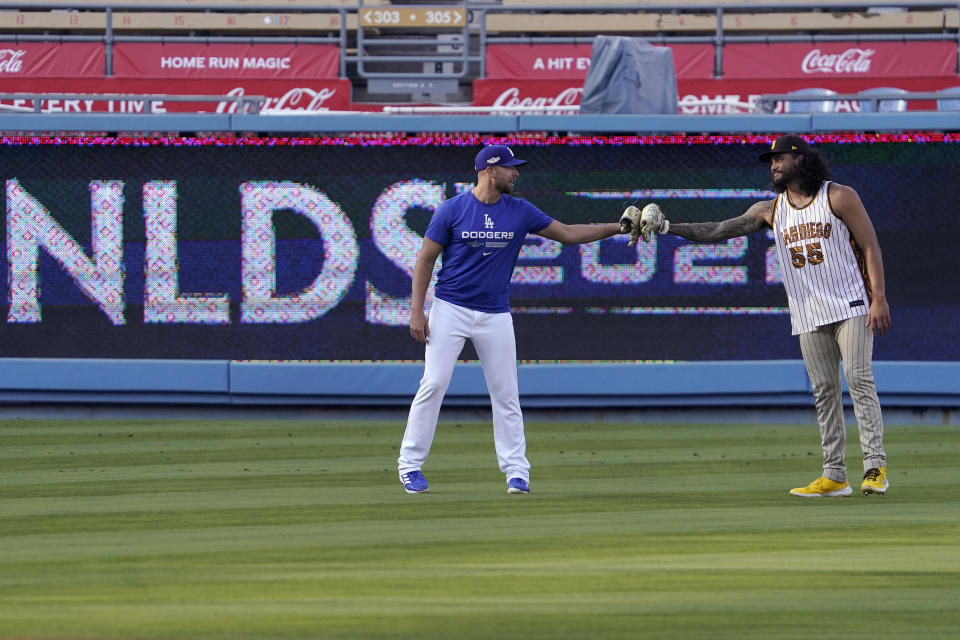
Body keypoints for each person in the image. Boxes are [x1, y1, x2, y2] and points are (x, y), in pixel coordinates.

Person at [625, 134, 891, 498]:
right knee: (824, 391)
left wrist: (879, 298)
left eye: (780, 158)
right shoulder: (770, 209)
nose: (774, 165)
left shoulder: (838, 196)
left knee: (858, 379)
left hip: (852, 303)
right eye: (771, 161)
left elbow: (870, 245)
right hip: (808, 310)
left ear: (801, 160)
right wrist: (669, 228)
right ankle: (835, 474)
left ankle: (875, 467)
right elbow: (719, 232)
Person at [398, 144, 626, 495]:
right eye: (509, 168)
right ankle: (409, 466)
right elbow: (425, 259)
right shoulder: (452, 209)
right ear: (490, 171)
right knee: (434, 383)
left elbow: (567, 233)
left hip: (495, 314)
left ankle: (517, 472)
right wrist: (417, 310)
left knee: (506, 393)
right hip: (451, 309)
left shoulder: (519, 210)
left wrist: (617, 227)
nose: (515, 173)